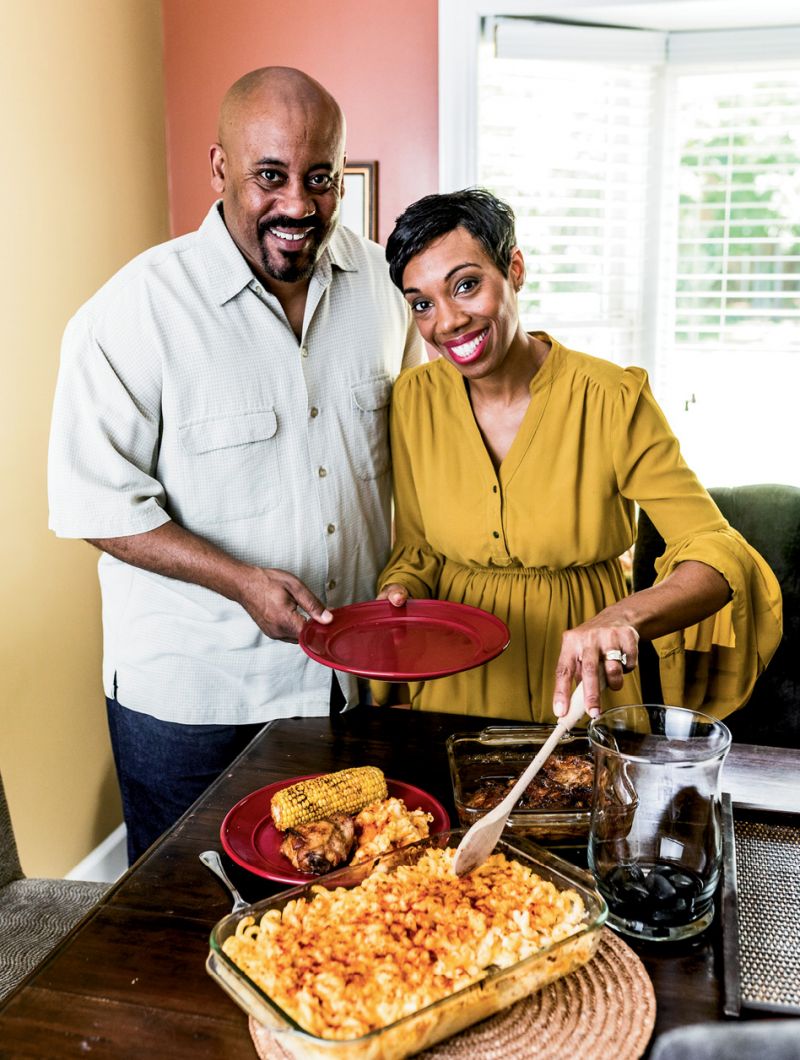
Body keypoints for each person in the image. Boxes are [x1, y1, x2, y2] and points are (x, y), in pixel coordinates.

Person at [47, 67, 423, 863]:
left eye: (320, 178)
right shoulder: (131, 314)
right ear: (219, 169)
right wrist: (240, 581)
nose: (298, 204)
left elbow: (418, 452)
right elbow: (93, 503)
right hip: (192, 703)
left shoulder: (384, 292)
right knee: (186, 920)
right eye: (270, 176)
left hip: (345, 689)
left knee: (337, 918)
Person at [376, 188, 781, 724]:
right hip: (456, 682)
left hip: (585, 683)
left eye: (466, 286)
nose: (446, 321)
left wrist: (621, 618)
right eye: (422, 303)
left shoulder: (614, 398)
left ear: (514, 269)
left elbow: (714, 554)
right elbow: (418, 549)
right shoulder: (412, 400)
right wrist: (400, 591)